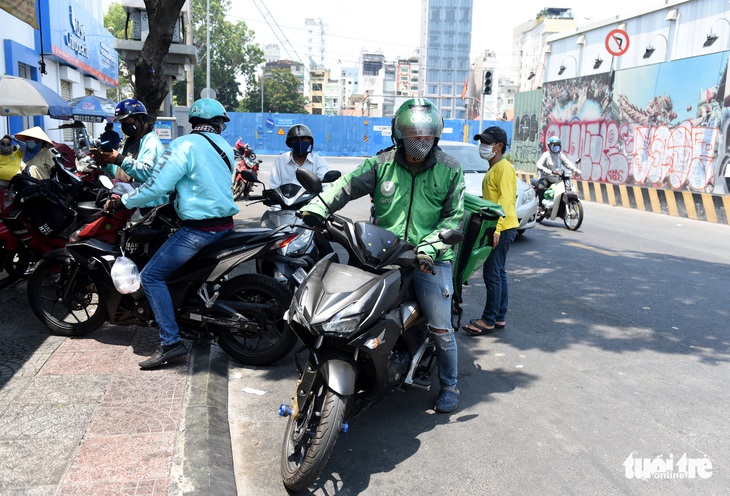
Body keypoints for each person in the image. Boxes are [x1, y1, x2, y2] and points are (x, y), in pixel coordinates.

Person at [300, 98, 465, 414]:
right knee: (353, 308)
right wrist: (318, 207)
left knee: (441, 328)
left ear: (437, 137)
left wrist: (430, 248)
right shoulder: (381, 164)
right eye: (414, 135)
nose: (421, 142)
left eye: (428, 136)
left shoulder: (450, 170)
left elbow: (454, 217)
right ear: (398, 135)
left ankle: (449, 384)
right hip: (382, 253)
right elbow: (346, 186)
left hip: (428, 258)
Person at [104, 98, 239, 369]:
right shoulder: (225, 147)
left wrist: (122, 202)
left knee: (151, 276)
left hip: (200, 230)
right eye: (222, 122)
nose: (223, 127)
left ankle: (171, 343)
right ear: (216, 123)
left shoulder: (184, 145)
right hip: (225, 225)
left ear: (195, 122)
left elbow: (155, 186)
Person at [463, 126, 519, 336]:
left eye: (487, 142)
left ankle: (488, 319)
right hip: (502, 226)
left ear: (499, 146)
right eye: (482, 141)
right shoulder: (495, 167)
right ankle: (499, 316)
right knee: (498, 272)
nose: (483, 146)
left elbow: (505, 200)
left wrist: (497, 229)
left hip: (502, 228)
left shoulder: (504, 168)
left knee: (492, 273)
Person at [97, 98, 165, 193]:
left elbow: (150, 174)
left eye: (127, 122)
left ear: (140, 119)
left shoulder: (152, 143)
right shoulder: (130, 141)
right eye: (121, 123)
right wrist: (106, 162)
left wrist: (120, 159)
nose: (124, 126)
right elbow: (119, 172)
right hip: (125, 199)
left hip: (145, 204)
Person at [269, 124, 329, 189]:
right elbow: (274, 187)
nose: (300, 143)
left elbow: (325, 186)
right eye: (295, 140)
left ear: (310, 142)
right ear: (289, 143)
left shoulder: (319, 161)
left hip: (313, 199)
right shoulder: (280, 161)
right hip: (285, 199)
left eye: (304, 139)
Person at [534, 136, 580, 211]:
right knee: (541, 187)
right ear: (550, 146)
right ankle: (541, 207)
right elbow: (538, 165)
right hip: (545, 178)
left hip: (556, 179)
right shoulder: (546, 155)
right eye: (554, 145)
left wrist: (575, 170)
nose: (556, 147)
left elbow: (567, 163)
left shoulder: (560, 155)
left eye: (558, 145)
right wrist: (549, 171)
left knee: (565, 189)